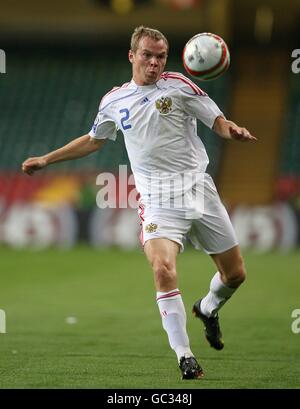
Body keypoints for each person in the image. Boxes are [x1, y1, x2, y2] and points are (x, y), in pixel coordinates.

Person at [22, 26, 257, 380]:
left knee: (235, 274)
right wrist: (46, 159)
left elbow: (217, 121)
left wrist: (233, 130)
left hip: (199, 191)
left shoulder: (179, 86)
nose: (154, 62)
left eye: (161, 56)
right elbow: (93, 140)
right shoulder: (114, 101)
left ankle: (208, 308)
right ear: (132, 56)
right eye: (147, 55)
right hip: (158, 199)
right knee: (162, 269)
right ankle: (185, 356)